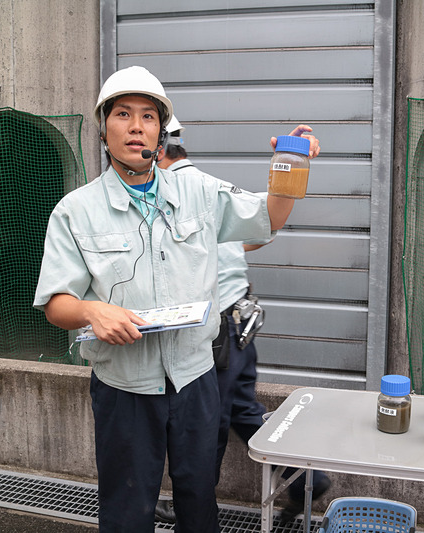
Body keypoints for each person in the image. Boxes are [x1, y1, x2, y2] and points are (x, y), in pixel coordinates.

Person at [33, 66, 320, 533]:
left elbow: (266, 219)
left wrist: (290, 164)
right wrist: (91, 309)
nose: (135, 126)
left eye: (148, 116)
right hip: (123, 387)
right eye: (123, 114)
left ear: (160, 131)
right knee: (127, 508)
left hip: (195, 380)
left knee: (198, 498)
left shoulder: (199, 191)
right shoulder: (75, 211)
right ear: (105, 126)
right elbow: (55, 304)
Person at [153, 122, 331, 525]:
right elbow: (257, 234)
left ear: (160, 150)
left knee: (206, 426)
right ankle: (309, 479)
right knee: (242, 411)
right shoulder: (213, 189)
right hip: (241, 326)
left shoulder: (173, 195)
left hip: (214, 334)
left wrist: (291, 161)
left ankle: (192, 509)